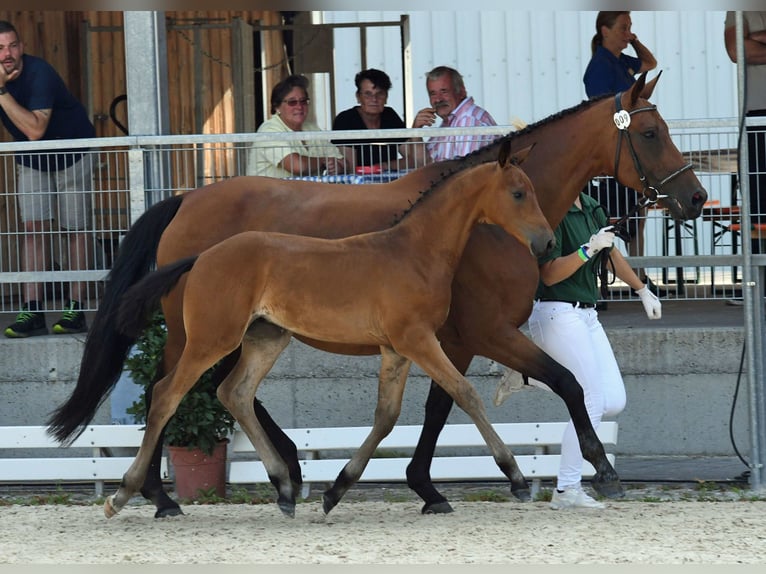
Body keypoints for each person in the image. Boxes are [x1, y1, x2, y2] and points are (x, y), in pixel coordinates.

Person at [527, 192, 661, 509]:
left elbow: (612, 254)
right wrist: (588, 249)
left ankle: (531, 375)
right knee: (591, 400)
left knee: (613, 401)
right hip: (556, 310)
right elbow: (549, 274)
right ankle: (566, 490)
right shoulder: (552, 210)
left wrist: (642, 289)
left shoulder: (591, 206)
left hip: (587, 314)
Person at [0, 20, 96, 338]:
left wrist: (0, 92)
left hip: (72, 153)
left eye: (13, 45)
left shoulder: (40, 72)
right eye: (0, 48)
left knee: (74, 229)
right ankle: (32, 310)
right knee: (32, 229)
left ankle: (75, 309)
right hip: (31, 160)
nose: (8, 53)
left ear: (22, 46)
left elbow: (35, 130)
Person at [582, 11, 660, 295]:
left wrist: (634, 40)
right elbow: (604, 112)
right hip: (612, 155)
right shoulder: (599, 67)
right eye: (624, 28)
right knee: (607, 222)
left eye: (631, 27)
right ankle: (601, 278)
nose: (628, 33)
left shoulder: (620, 61)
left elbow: (651, 63)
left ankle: (638, 274)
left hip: (629, 152)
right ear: (605, 30)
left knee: (637, 217)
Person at [248, 74, 350, 179]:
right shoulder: (269, 130)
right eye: (292, 102)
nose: (299, 106)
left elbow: (343, 163)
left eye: (303, 101)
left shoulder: (311, 128)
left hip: (305, 193)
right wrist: (324, 161)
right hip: (268, 194)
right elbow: (297, 166)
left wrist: (337, 167)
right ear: (277, 107)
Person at [724, 12, 766, 257]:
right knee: (758, 208)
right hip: (756, 117)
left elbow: (747, 47)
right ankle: (760, 288)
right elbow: (736, 50)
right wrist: (748, 43)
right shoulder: (739, 10)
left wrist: (758, 39)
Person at [331, 68, 427, 172]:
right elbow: (351, 169)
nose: (374, 99)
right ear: (358, 97)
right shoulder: (345, 119)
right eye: (368, 94)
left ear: (386, 97)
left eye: (380, 94)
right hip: (357, 186)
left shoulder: (389, 116)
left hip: (390, 183)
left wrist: (382, 167)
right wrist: (385, 168)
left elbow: (413, 160)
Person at [411, 66, 497, 162]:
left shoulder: (469, 120)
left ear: (461, 92)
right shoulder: (450, 121)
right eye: (433, 94)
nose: (438, 99)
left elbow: (464, 171)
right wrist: (416, 132)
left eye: (444, 91)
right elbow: (424, 165)